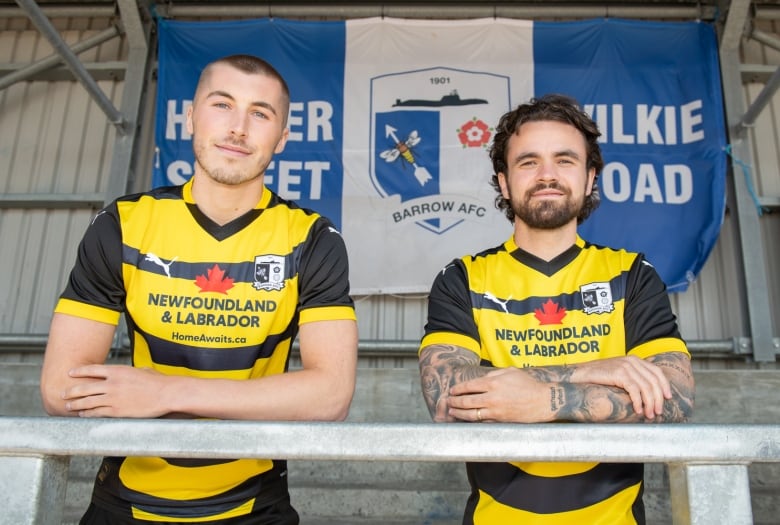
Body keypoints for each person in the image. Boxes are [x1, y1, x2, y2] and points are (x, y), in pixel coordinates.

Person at [40, 54, 358, 524]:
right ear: (190, 116)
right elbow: (58, 388)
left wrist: (167, 393)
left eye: (261, 113)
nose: (239, 128)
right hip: (125, 502)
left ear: (283, 137)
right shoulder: (124, 224)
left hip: (254, 503)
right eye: (222, 104)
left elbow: (331, 395)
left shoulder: (311, 238)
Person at [418, 94, 694, 525]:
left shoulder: (631, 274)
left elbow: (675, 397)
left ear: (589, 178)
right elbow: (445, 396)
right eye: (528, 162)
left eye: (564, 160)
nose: (547, 175)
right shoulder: (463, 278)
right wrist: (593, 370)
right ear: (504, 182)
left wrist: (542, 400)